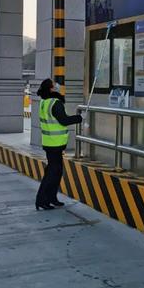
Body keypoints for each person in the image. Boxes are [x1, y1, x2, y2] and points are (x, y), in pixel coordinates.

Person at [35, 78, 83, 210]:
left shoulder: (44, 102)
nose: (56, 87)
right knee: (52, 173)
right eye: (54, 86)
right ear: (50, 89)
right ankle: (42, 200)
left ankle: (52, 198)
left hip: (50, 143)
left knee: (56, 172)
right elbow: (64, 120)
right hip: (54, 144)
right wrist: (79, 118)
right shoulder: (55, 103)